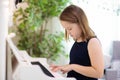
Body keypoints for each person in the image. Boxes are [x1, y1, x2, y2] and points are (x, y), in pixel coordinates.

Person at [50, 5, 104, 80]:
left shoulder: (93, 42)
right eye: (66, 29)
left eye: (70, 28)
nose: (68, 33)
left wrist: (72, 66)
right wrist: (64, 67)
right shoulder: (77, 41)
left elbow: (98, 73)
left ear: (80, 23)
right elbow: (80, 64)